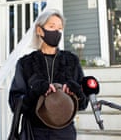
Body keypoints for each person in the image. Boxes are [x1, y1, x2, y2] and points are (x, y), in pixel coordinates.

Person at [8, 9, 88, 140]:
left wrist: (77, 92)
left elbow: (84, 104)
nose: (56, 32)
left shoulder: (71, 61)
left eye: (60, 28)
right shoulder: (25, 63)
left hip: (65, 133)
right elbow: (14, 103)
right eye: (52, 27)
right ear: (39, 30)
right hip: (34, 132)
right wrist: (35, 93)